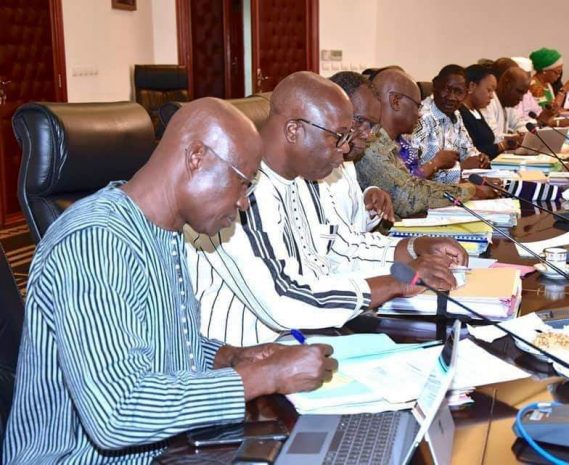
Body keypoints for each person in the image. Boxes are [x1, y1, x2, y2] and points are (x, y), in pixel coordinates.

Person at [3, 98, 339, 465]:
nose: (244, 202)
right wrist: (264, 375)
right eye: (242, 182)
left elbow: (156, 346)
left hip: (169, 450)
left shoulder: (165, 233)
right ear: (196, 158)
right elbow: (118, 412)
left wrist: (229, 357)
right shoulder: (96, 240)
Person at [187, 72, 463, 347]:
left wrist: (414, 247)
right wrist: (397, 282)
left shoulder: (302, 178)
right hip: (248, 353)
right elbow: (285, 299)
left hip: (304, 336)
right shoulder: (241, 190)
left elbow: (339, 248)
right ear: (294, 130)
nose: (345, 149)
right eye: (338, 137)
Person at [355, 68, 496, 218]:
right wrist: (470, 191)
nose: (420, 113)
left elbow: (414, 184)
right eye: (417, 106)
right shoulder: (369, 144)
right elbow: (408, 197)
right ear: (395, 101)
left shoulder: (392, 141)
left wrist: (467, 188)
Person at [325, 71, 395, 231]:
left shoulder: (347, 160)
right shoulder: (315, 167)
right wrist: (410, 244)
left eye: (372, 126)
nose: (367, 134)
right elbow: (338, 240)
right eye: (360, 120)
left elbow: (354, 224)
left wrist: (370, 200)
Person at [410, 64, 482, 184]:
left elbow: (467, 150)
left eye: (458, 92)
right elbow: (417, 174)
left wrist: (479, 159)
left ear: (466, 93)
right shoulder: (422, 117)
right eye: (446, 89)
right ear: (435, 85)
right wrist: (461, 168)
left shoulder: (456, 114)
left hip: (451, 186)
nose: (451, 97)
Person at [461, 64, 523, 158]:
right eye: (489, 90)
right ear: (472, 86)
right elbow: (472, 151)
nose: (492, 96)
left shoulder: (476, 111)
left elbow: (488, 140)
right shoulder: (461, 113)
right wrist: (503, 145)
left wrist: (511, 139)